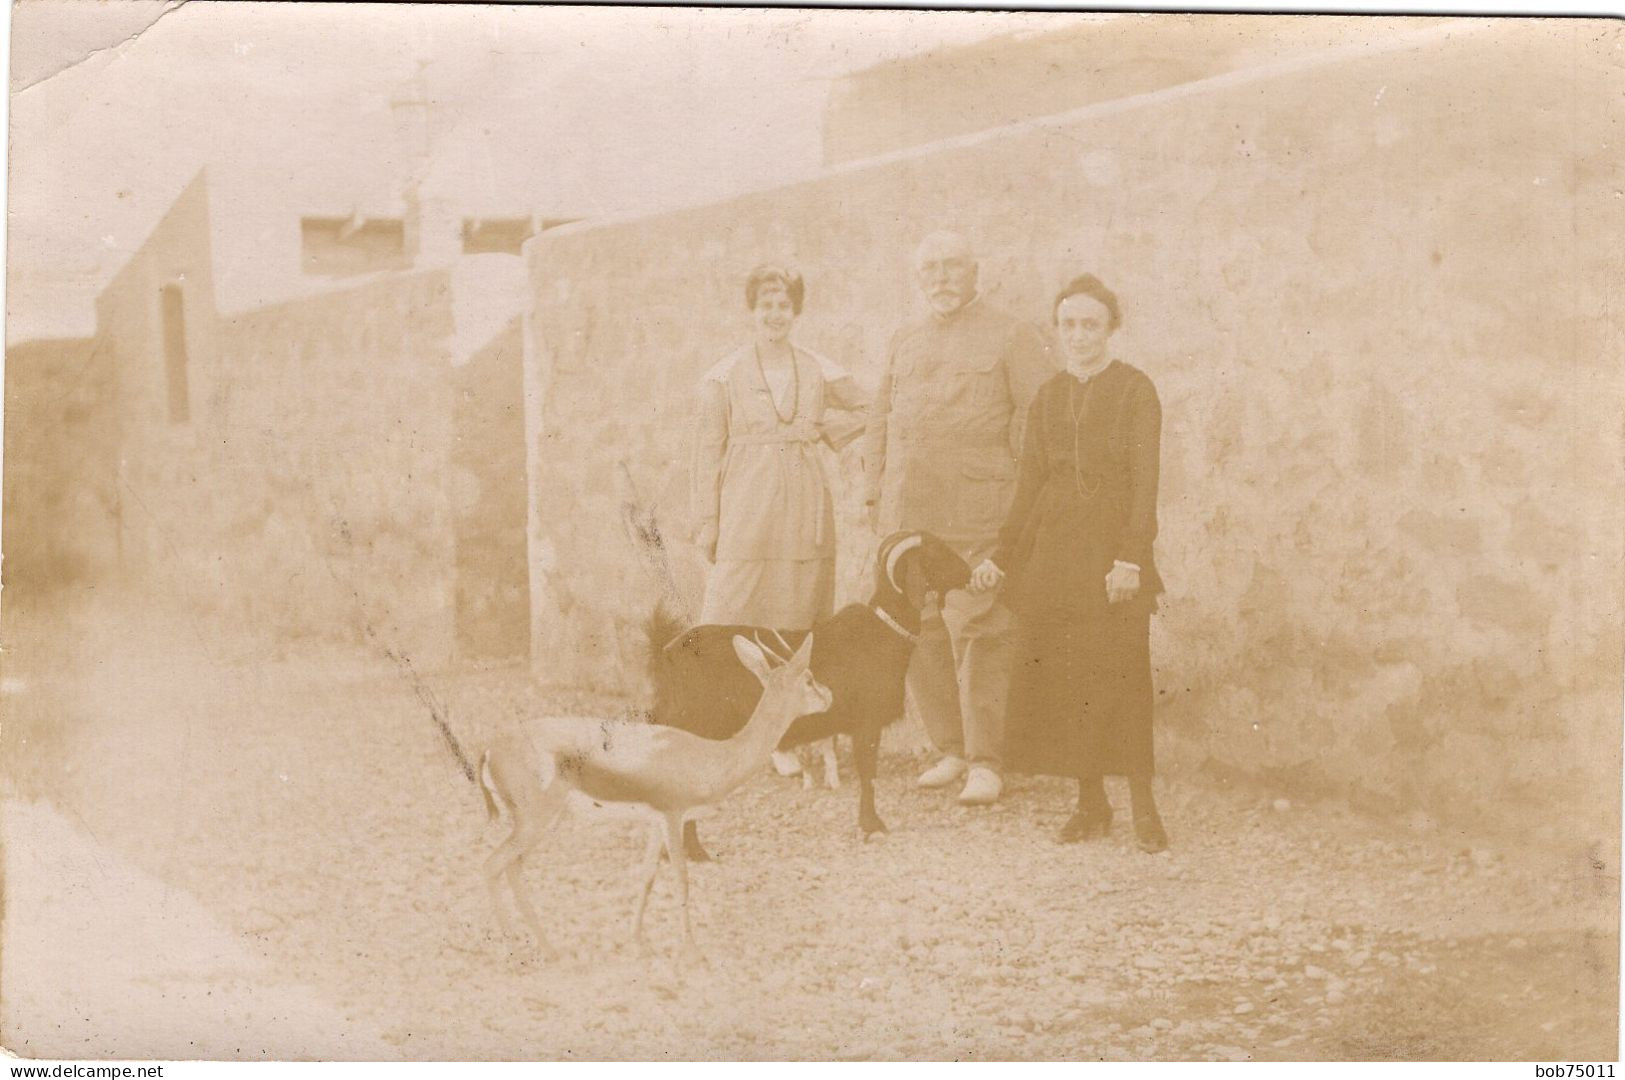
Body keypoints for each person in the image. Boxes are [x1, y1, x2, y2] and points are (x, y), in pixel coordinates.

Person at [970, 274, 1169, 852]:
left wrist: (1132, 556)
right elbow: (1031, 482)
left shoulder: (1135, 390)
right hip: (1055, 555)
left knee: (1122, 677)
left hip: (1112, 557)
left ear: (1110, 328)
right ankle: (1090, 803)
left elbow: (1145, 482)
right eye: (1068, 325)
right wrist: (1003, 556)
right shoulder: (1048, 396)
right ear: (1057, 330)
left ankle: (1143, 804)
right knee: (1067, 679)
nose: (1079, 336)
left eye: (1090, 324)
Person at [860, 232, 1054, 806]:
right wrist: (875, 492)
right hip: (909, 510)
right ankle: (949, 747)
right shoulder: (904, 338)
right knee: (918, 628)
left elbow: (1037, 419)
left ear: (976, 273)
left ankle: (986, 759)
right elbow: (880, 418)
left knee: (980, 628)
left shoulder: (1011, 333)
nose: (942, 278)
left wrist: (1018, 497)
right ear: (918, 278)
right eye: (931, 269)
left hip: (977, 511)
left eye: (953, 267)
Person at [692, 262, 867, 629]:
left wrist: (821, 429)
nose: (775, 315)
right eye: (766, 306)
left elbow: (869, 409)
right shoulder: (722, 375)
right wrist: (708, 523)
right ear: (752, 311)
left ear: (795, 311)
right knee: (729, 606)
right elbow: (707, 454)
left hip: (804, 503)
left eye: (784, 306)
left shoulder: (819, 367)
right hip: (746, 505)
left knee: (799, 606)